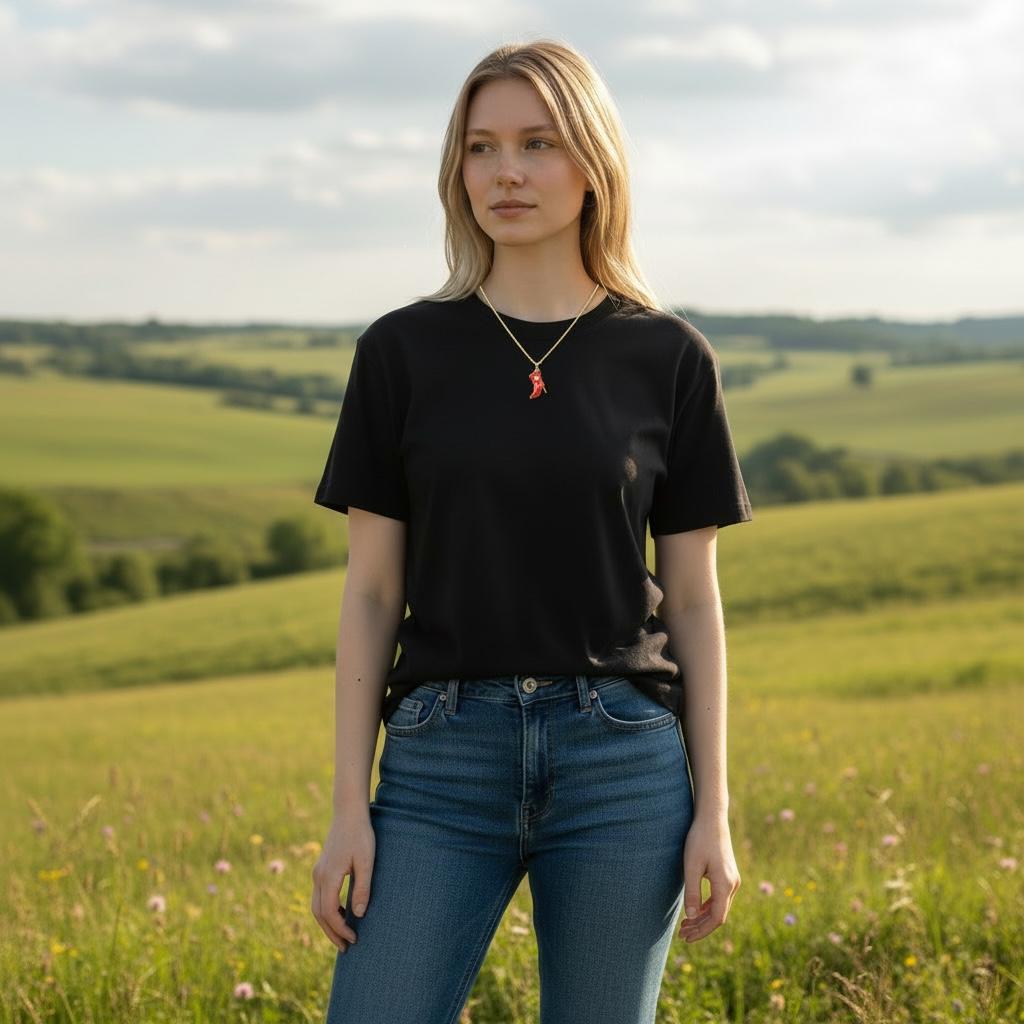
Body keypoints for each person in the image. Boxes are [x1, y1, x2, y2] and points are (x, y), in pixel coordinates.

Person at [310, 38, 753, 1024]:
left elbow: (690, 599)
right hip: (438, 755)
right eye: (480, 147)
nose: (505, 171)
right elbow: (374, 591)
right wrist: (349, 808)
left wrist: (712, 808)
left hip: (622, 762)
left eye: (537, 143)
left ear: (592, 166)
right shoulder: (401, 352)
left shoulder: (668, 356)